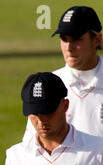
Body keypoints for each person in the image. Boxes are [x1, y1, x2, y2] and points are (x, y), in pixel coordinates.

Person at [23, 6, 103, 141]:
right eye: (64, 39)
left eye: (77, 39)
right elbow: (31, 146)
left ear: (96, 39)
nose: (69, 48)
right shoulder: (47, 85)